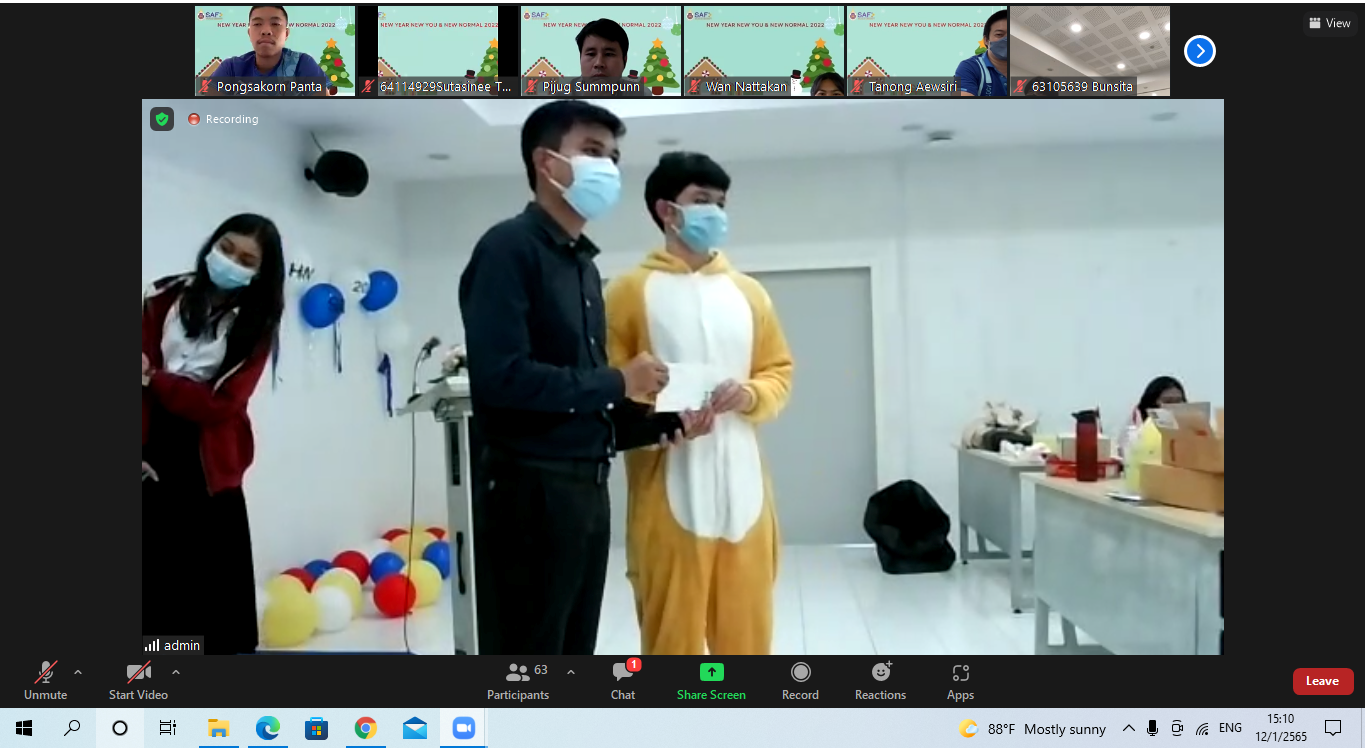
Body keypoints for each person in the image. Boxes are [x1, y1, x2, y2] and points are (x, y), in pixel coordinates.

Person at [458, 101, 713, 656]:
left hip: (586, 490)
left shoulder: (583, 267)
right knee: (530, 657)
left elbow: (581, 404)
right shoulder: (507, 249)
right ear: (546, 163)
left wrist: (664, 422)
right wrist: (619, 381)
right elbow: (502, 379)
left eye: (614, 157)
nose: (609, 168)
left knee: (575, 650)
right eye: (593, 152)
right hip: (529, 493)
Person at [605, 152, 795, 655]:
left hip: (744, 489)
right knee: (672, 640)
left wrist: (751, 394)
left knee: (748, 640)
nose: (715, 212)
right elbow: (608, 385)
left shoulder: (749, 293)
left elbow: (778, 371)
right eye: (702, 200)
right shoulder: (628, 292)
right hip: (668, 487)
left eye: (721, 203)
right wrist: (656, 408)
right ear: (667, 210)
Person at [141, 214, 286, 655]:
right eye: (226, 248)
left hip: (209, 459)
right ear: (212, 244)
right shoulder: (161, 297)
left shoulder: (257, 325)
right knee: (157, 582)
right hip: (150, 445)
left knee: (211, 589)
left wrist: (156, 380)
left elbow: (221, 405)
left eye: (246, 259)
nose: (231, 261)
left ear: (260, 272)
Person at [956, 9, 1009, 97]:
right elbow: (964, 104)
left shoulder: (1026, 66)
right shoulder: (969, 67)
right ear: (986, 40)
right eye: (999, 35)